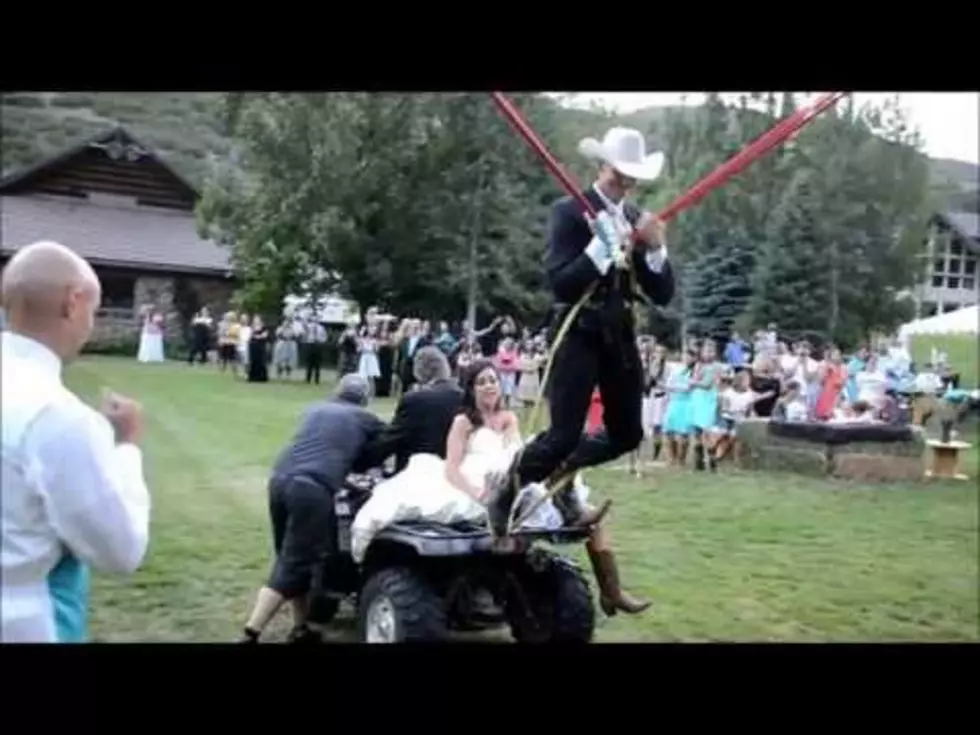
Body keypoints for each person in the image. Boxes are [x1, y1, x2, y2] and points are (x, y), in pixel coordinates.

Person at [484, 126, 675, 536]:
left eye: (631, 174)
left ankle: (565, 472)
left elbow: (661, 294)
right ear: (601, 165)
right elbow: (562, 284)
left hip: (619, 335)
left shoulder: (635, 221)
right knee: (563, 434)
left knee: (627, 433)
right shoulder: (570, 212)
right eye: (617, 172)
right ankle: (509, 487)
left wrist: (656, 247)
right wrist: (601, 247)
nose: (624, 181)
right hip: (577, 332)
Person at [352, 360, 649, 616]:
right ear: (471, 389)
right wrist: (477, 493)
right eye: (481, 382)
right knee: (508, 479)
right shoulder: (463, 422)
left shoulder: (508, 418)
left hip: (512, 469)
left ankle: (610, 586)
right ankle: (562, 506)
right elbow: (452, 467)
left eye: (493, 380)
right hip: (477, 475)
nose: (489, 387)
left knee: (551, 450)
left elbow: (516, 450)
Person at [1, 241, 151, 642]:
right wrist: (127, 446)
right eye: (94, 311)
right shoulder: (58, 416)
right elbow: (120, 550)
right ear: (73, 301)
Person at [240, 374, 385, 643]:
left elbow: (325, 448)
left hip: (280, 479)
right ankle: (251, 632)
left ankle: (301, 628)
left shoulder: (315, 409)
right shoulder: (366, 419)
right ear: (366, 398)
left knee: (292, 557)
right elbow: (385, 447)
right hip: (312, 490)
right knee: (293, 563)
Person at [362, 346, 464, 474]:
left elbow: (391, 439)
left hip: (416, 475)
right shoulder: (464, 397)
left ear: (418, 371)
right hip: (454, 474)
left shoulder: (415, 400)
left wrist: (361, 460)